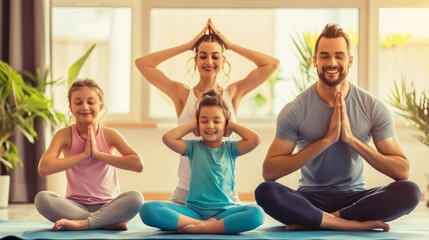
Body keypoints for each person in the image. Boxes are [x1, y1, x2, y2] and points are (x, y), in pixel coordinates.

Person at [255, 23, 421, 232]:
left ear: (350, 61)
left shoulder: (372, 107)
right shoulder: (296, 109)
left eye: (339, 56)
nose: (332, 62)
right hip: (309, 198)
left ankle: (325, 220)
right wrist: (326, 140)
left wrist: (352, 139)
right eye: (324, 56)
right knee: (266, 191)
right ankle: (345, 223)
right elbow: (270, 172)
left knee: (410, 191)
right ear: (314, 61)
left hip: (355, 200)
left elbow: (402, 170)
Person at [135, 18, 279, 205]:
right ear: (195, 60)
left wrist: (231, 45)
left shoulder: (233, 94)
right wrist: (187, 46)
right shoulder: (182, 94)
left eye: (215, 56)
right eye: (202, 56)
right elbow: (143, 64)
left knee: (253, 215)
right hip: (187, 192)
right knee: (152, 211)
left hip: (224, 192)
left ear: (223, 60)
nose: (209, 61)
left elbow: (271, 65)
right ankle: (206, 223)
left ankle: (198, 224)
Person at [139, 90, 264, 234]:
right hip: (193, 212)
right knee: (147, 209)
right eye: (204, 121)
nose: (210, 125)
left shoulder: (231, 149)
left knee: (257, 213)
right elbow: (168, 138)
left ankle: (207, 228)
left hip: (224, 211)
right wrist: (192, 125)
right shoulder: (193, 147)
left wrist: (232, 125)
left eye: (217, 121)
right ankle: (204, 224)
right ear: (198, 124)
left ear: (225, 124)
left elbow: (255, 139)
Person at [35, 79, 144, 231]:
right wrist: (83, 155)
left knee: (136, 198)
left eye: (91, 102)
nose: (84, 107)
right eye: (78, 103)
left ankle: (83, 223)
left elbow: (138, 164)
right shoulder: (64, 135)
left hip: (109, 205)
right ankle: (104, 222)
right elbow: (44, 168)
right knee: (42, 199)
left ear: (101, 106)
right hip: (74, 205)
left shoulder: (110, 135)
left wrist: (99, 155)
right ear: (71, 108)